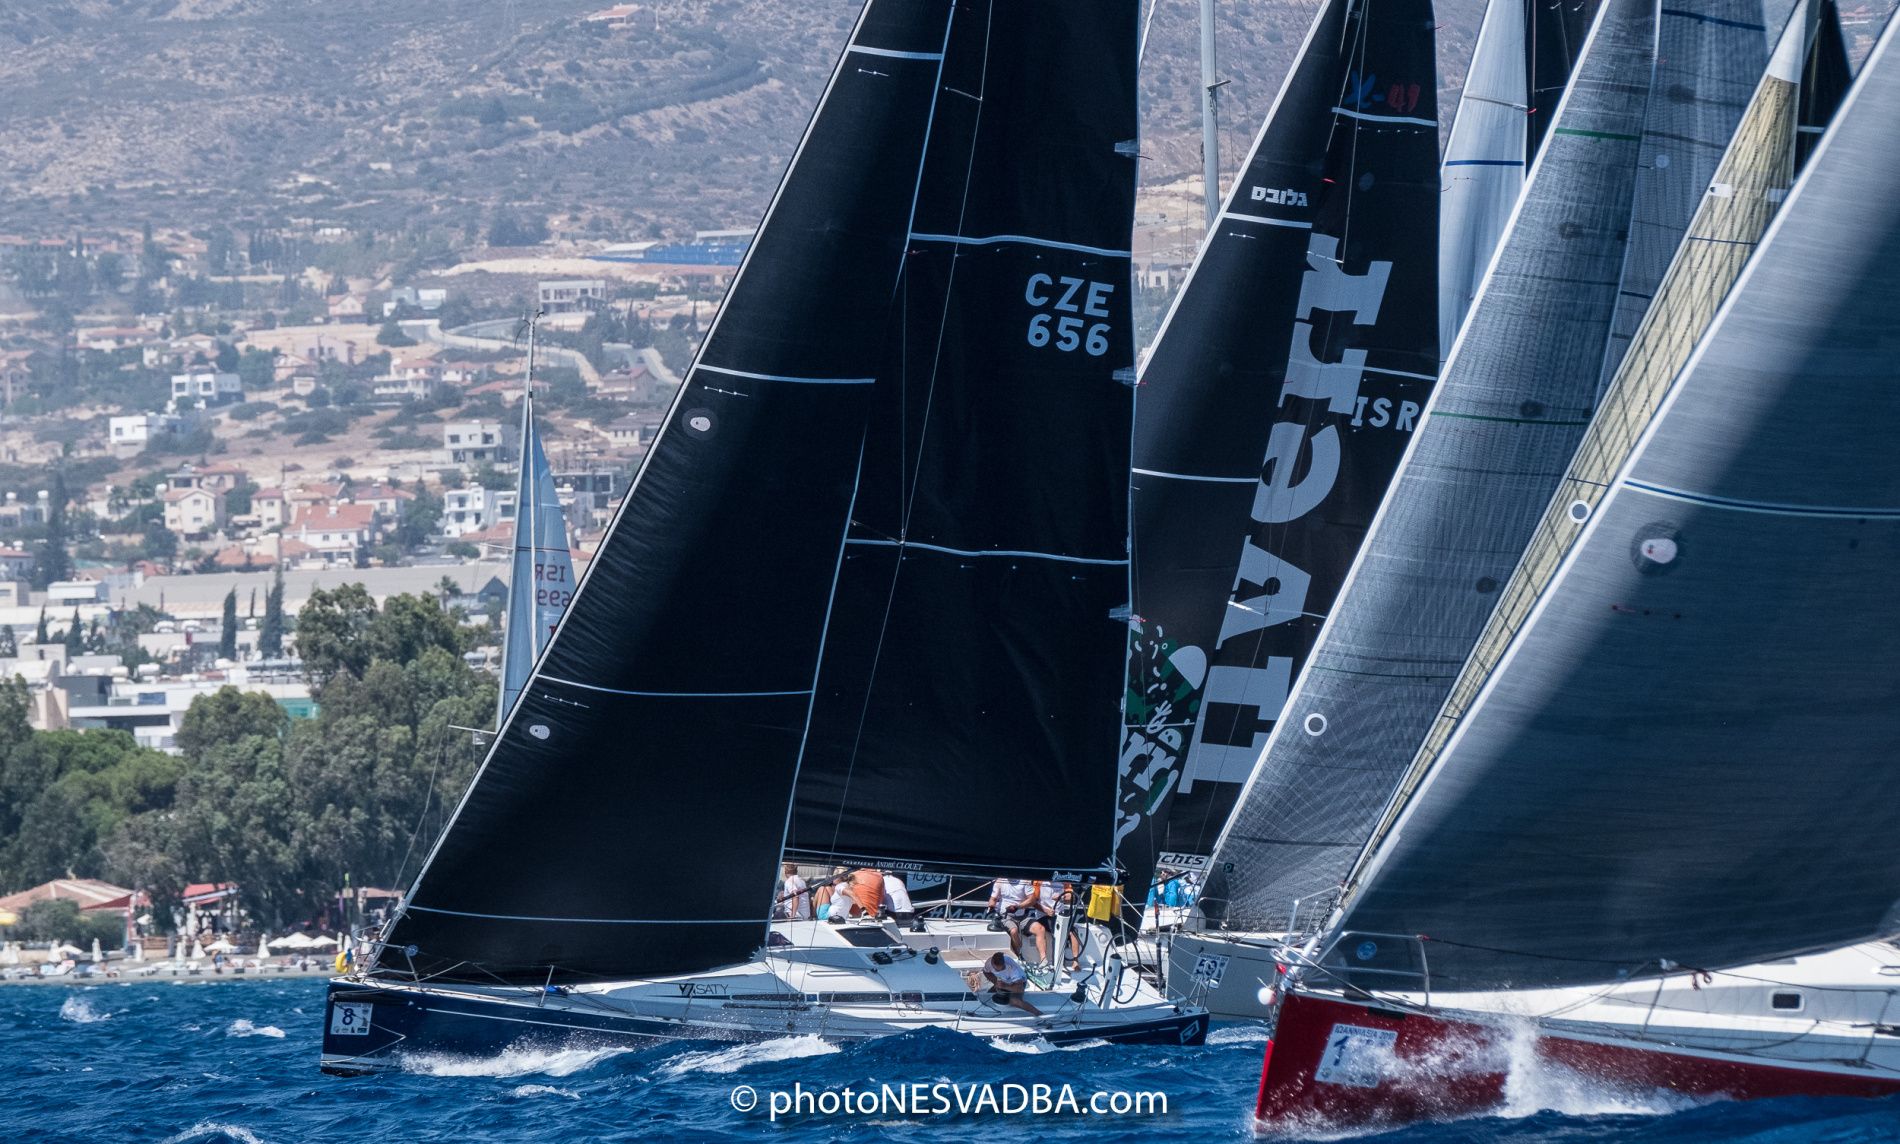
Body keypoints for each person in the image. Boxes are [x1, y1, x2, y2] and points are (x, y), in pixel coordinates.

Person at [982, 950, 1041, 1016]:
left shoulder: (1013, 969)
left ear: (1004, 963)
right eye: (995, 969)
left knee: (1014, 1002)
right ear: (992, 962)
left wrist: (1004, 986)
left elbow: (1020, 989)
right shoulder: (989, 963)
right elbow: (986, 972)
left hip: (1018, 983)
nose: (997, 970)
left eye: (1001, 969)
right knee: (988, 995)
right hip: (1004, 981)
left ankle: (1038, 1013)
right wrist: (995, 982)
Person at [988, 878, 1038, 956]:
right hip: (1006, 915)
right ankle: (1019, 954)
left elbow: (1032, 900)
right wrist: (991, 905)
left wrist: (1018, 907)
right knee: (1014, 931)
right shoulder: (1000, 881)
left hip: (1022, 916)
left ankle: (1043, 959)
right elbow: (993, 899)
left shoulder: (1025, 881)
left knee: (1039, 929)